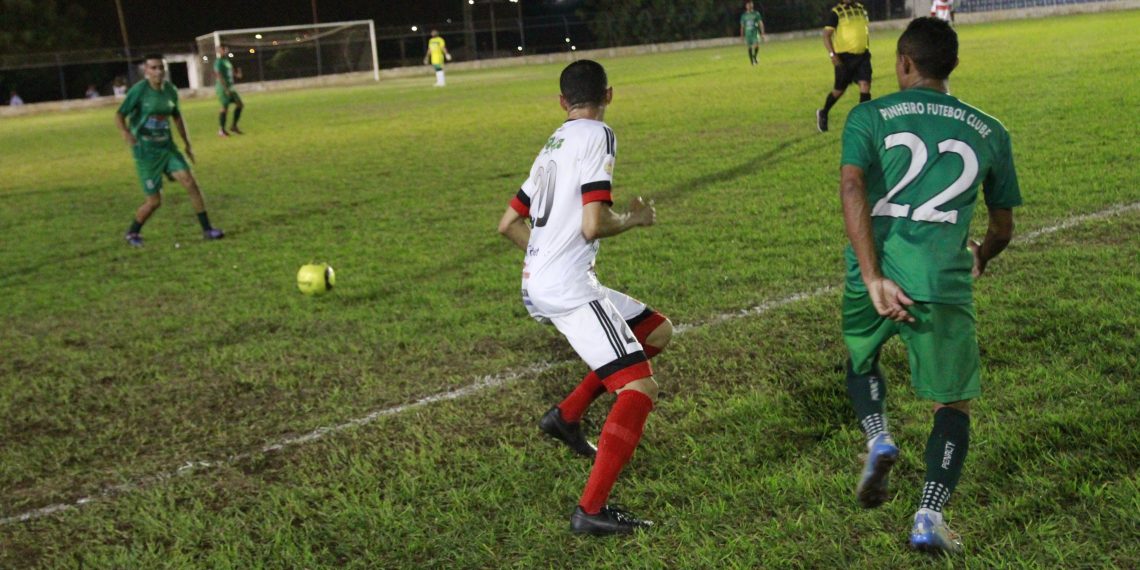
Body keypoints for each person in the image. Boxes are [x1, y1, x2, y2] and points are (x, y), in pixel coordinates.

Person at [837, 18, 1021, 555]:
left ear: (904, 63)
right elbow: (1002, 227)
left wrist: (872, 275)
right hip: (942, 279)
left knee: (861, 357)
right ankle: (929, 515)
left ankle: (878, 436)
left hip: (873, 271)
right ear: (953, 66)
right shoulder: (990, 129)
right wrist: (979, 255)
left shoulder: (868, 115)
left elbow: (851, 184)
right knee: (952, 405)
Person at [497, 60, 673, 536]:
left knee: (656, 332)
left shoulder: (551, 144)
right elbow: (594, 223)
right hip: (569, 288)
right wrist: (635, 220)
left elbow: (508, 224)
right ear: (609, 96)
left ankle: (566, 417)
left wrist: (543, 262)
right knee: (639, 387)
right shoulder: (599, 135)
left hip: (543, 282)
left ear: (561, 103)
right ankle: (590, 510)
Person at [115, 54, 224, 247]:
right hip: (146, 153)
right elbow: (120, 114)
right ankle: (132, 232)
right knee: (154, 201)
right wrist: (125, 133)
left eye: (160, 68)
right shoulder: (139, 91)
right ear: (146, 71)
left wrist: (187, 143)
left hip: (167, 148)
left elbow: (177, 117)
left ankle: (207, 229)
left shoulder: (170, 91)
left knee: (191, 183)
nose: (158, 72)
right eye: (153, 68)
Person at [817, 0, 872, 132]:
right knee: (839, 90)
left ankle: (863, 121)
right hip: (844, 58)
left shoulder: (861, 9)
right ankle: (823, 112)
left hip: (863, 55)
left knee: (865, 86)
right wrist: (832, 55)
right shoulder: (836, 12)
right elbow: (826, 35)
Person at [213, 45, 244, 136]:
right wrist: (225, 89)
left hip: (231, 87)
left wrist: (238, 74)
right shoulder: (218, 62)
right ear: (218, 51)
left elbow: (233, 74)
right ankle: (221, 130)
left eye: (225, 49)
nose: (224, 51)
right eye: (222, 49)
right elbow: (218, 75)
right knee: (224, 108)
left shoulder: (227, 61)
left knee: (240, 105)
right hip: (223, 88)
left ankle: (234, 126)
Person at [740, 1, 769, 66]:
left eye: (750, 4)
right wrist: (741, 36)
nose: (749, 5)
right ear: (746, 6)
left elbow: (760, 23)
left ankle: (754, 57)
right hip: (748, 34)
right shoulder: (744, 16)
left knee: (756, 45)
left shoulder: (756, 14)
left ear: (752, 5)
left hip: (755, 33)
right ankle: (752, 62)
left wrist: (762, 33)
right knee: (749, 47)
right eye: (748, 4)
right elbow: (742, 26)